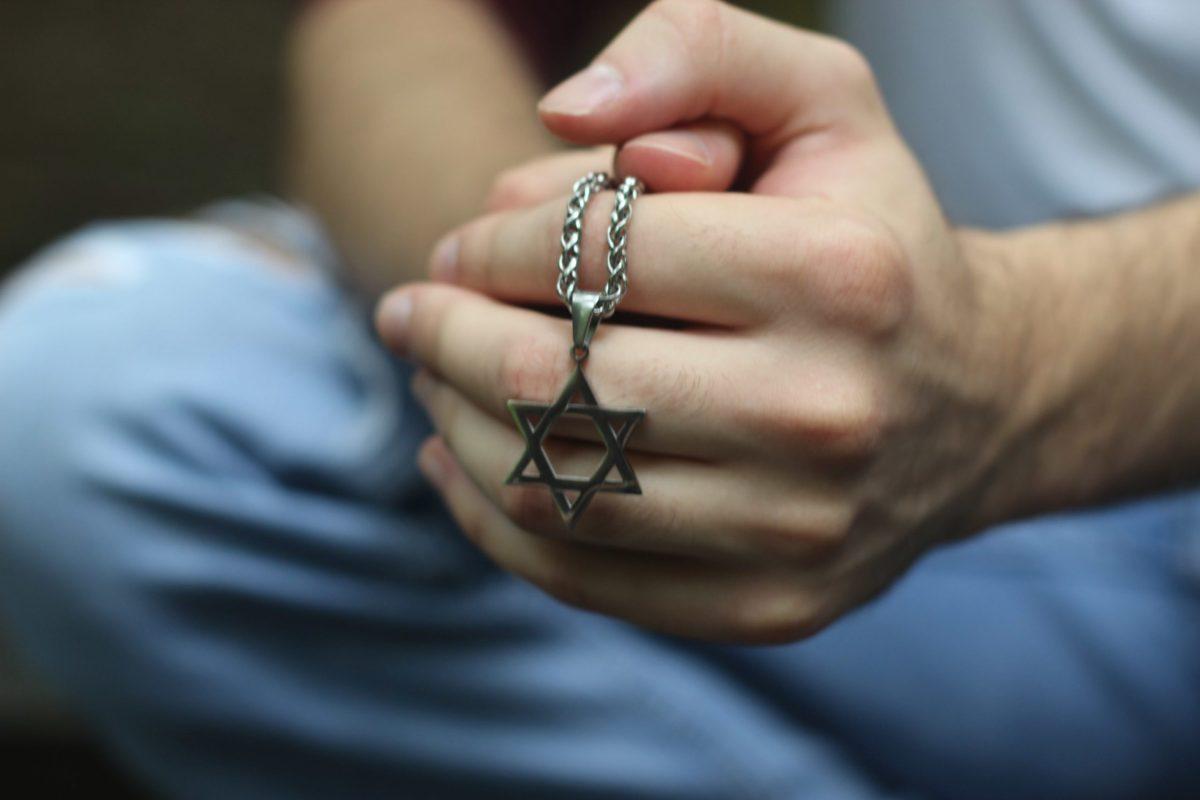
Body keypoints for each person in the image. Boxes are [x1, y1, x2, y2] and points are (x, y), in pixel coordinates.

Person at [0, 0, 1197, 797]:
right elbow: (405, 21)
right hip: (951, 536)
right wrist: (541, 259)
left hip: (1048, 443)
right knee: (102, 392)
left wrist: (1022, 362)